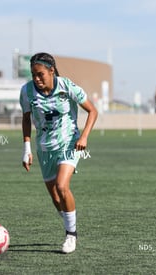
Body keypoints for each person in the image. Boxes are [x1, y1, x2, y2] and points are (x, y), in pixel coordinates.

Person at [20, 52, 98, 254]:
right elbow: (26, 119)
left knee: (62, 187)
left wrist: (84, 137)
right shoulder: (27, 91)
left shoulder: (66, 86)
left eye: (40, 74)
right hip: (44, 149)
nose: (36, 79)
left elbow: (93, 111)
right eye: (33, 75)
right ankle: (69, 222)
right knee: (56, 198)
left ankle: (71, 235)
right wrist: (26, 148)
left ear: (51, 71)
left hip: (69, 144)